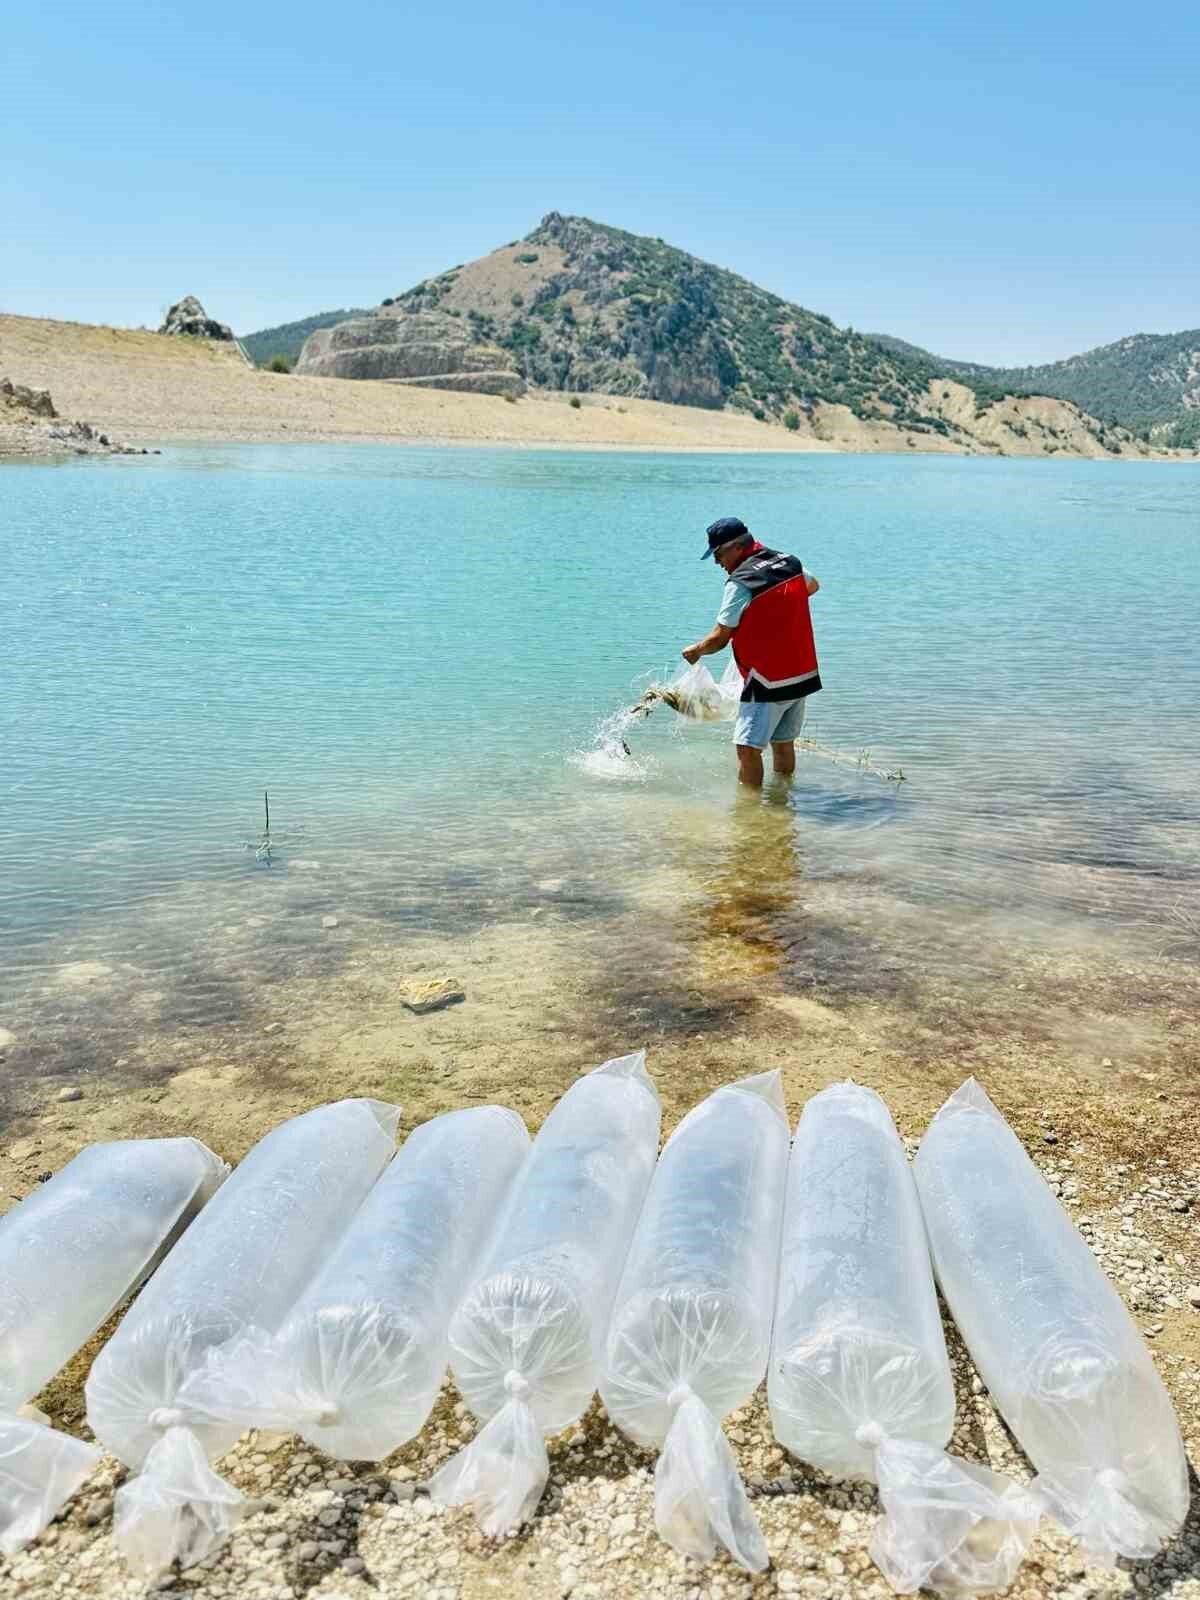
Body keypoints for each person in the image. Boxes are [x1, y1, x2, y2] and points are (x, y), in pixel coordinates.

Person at [681, 516, 821, 788]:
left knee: (747, 749)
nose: (717, 562)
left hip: (768, 680)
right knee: (782, 744)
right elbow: (812, 586)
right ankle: (782, 800)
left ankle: (749, 813)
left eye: (718, 554)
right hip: (802, 672)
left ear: (735, 547)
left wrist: (696, 650)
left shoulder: (741, 582)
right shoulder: (787, 562)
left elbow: (720, 638)